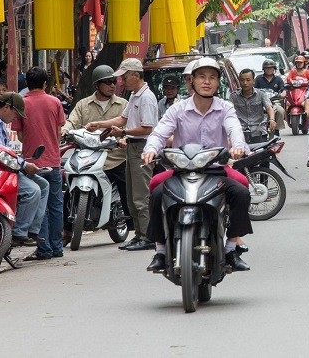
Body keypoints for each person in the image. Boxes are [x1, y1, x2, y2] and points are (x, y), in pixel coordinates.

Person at [142, 58, 252, 272]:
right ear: (192, 81)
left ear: (218, 82)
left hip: (216, 170)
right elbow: (160, 132)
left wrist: (238, 147)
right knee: (156, 188)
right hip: (182, 169)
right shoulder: (178, 109)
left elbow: (234, 130)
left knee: (242, 190)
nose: (207, 82)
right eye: (202, 77)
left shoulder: (225, 108)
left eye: (212, 77)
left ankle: (231, 247)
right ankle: (160, 250)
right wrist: (150, 149)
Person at [86, 58, 158, 251]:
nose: (120, 82)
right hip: (132, 148)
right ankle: (139, 235)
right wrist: (99, 124)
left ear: (136, 75)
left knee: (141, 196)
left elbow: (147, 128)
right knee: (132, 195)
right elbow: (122, 118)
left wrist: (123, 132)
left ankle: (148, 236)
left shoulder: (146, 98)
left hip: (142, 148)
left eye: (124, 77)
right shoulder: (134, 96)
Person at [61, 65, 129, 245]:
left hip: (114, 157)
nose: (112, 85)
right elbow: (71, 122)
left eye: (114, 81)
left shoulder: (124, 105)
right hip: (87, 156)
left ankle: (133, 228)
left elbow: (130, 127)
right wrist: (65, 131)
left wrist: (124, 137)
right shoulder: (83, 105)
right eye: (108, 82)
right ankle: (67, 230)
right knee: (68, 190)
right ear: (97, 85)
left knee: (126, 187)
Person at [10, 67, 65, 261]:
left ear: (27, 84)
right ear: (44, 84)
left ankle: (44, 248)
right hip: (53, 159)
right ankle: (57, 247)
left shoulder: (22, 104)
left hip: (32, 162)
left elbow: (20, 134)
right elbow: (58, 132)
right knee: (56, 205)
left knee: (40, 205)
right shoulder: (55, 101)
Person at [0, 92, 50, 247]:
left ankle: (32, 231)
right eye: (16, 113)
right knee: (33, 191)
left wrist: (23, 164)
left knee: (44, 185)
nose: (16, 118)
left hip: (5, 167)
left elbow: (6, 152)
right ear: (7, 107)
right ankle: (19, 232)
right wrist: (25, 165)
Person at [231, 69, 275, 142]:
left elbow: (269, 108)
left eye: (248, 80)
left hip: (259, 130)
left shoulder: (261, 94)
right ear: (239, 81)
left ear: (253, 81)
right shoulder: (233, 96)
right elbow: (228, 112)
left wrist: (272, 119)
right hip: (240, 132)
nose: (245, 83)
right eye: (242, 80)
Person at [254, 59, 286, 132]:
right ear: (263, 69)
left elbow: (283, 89)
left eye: (271, 68)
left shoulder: (278, 79)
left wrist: (283, 93)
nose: (269, 70)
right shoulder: (258, 79)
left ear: (274, 69)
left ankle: (276, 129)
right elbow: (254, 89)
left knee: (280, 111)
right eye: (267, 68)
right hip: (260, 102)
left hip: (274, 101)